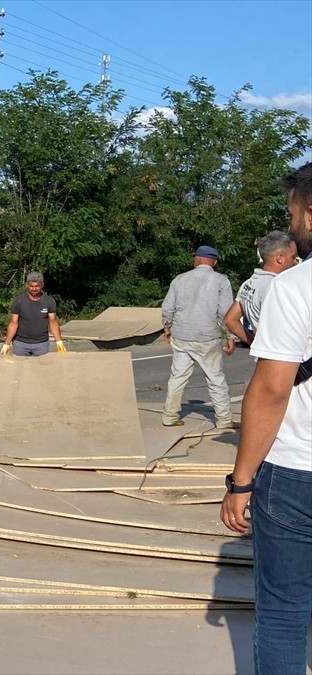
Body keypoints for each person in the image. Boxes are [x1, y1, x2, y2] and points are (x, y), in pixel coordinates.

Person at [221, 161, 311, 675]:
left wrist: (240, 481)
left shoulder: (298, 287)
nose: (293, 225)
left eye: (292, 212)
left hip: (299, 472)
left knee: (283, 613)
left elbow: (273, 389)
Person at [160, 245, 235, 429]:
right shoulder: (221, 281)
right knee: (215, 378)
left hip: (181, 335)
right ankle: (224, 420)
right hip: (207, 337)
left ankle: (170, 416)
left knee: (178, 376)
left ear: (197, 259)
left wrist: (167, 327)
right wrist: (230, 337)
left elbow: (167, 307)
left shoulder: (179, 279)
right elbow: (225, 313)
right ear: (214, 262)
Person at [223, 231, 298, 351]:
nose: (295, 262)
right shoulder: (277, 286)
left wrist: (255, 343)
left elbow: (230, 320)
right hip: (284, 357)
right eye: (293, 257)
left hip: (265, 355)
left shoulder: (249, 283)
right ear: (280, 259)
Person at [0, 271, 65, 357]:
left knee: (40, 369)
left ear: (42, 285)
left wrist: (59, 341)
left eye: (37, 286)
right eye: (31, 286)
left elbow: (53, 322)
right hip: (21, 344)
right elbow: (13, 323)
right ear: (27, 285)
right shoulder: (19, 301)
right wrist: (7, 343)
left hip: (41, 344)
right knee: (19, 369)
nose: (34, 289)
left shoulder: (49, 301)